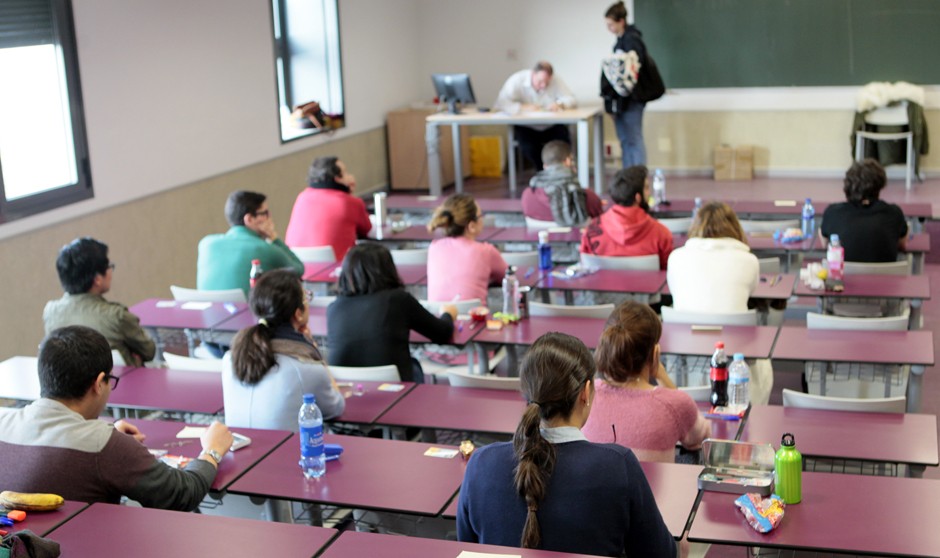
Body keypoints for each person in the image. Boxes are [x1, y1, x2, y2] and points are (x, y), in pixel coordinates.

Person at [456, 332, 676, 557]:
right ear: (585, 393)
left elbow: (466, 546)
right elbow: (661, 554)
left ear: (527, 391)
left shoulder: (480, 463)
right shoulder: (619, 466)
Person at [0, 326, 233, 510]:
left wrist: (108, 435)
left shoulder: (4, 424)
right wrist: (211, 451)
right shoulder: (106, 446)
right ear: (99, 383)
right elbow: (180, 495)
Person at [583, 301, 710, 463]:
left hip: (597, 487)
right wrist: (663, 377)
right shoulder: (674, 404)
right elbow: (701, 439)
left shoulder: (586, 394)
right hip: (654, 489)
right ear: (655, 352)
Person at [223, 269, 345, 430]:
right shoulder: (308, 370)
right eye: (306, 297)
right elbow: (335, 408)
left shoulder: (231, 358)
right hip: (288, 453)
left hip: (237, 450)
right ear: (299, 314)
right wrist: (317, 354)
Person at [327, 244, 457, 383]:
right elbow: (442, 334)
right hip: (395, 388)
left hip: (349, 391)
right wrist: (448, 313)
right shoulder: (398, 299)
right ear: (388, 269)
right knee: (415, 366)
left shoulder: (334, 308)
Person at [43, 237, 155, 366]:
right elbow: (149, 351)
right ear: (97, 279)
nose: (111, 271)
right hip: (119, 383)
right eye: (109, 266)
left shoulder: (50, 312)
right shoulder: (117, 316)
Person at [197, 190, 304, 296]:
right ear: (249, 219)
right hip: (250, 311)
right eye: (265, 213)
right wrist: (274, 238)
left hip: (210, 311)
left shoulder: (206, 244)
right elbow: (298, 269)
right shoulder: (264, 248)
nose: (269, 217)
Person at [667, 201, 759, 313]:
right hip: (733, 328)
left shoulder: (676, 258)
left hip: (685, 328)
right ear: (735, 226)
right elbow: (751, 291)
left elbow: (674, 290)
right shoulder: (749, 260)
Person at [580, 165, 673, 269]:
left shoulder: (591, 231)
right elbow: (667, 273)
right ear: (638, 197)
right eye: (646, 188)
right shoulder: (661, 233)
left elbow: (585, 266)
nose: (649, 193)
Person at [284, 156, 372, 262]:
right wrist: (349, 194)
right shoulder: (350, 202)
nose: (350, 176)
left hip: (299, 267)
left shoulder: (302, 197)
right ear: (337, 179)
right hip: (336, 268)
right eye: (346, 173)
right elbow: (366, 230)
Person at [493, 61, 577, 170]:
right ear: (533, 74)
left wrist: (559, 104)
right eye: (540, 81)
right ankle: (542, 172)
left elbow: (571, 99)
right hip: (527, 127)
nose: (543, 86)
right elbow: (501, 102)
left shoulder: (555, 80)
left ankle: (562, 172)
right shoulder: (517, 80)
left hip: (551, 126)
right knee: (530, 148)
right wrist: (522, 107)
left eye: (547, 82)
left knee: (563, 143)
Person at [821, 159, 908, 262]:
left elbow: (825, 244)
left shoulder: (832, 213)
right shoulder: (894, 213)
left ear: (847, 185)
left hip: (844, 276)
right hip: (886, 277)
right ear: (880, 185)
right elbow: (902, 244)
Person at [426, 193, 508, 303]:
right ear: (471, 226)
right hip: (474, 319)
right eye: (480, 216)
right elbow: (508, 277)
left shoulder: (434, 247)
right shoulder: (486, 251)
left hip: (436, 318)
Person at [604, 1, 650, 167]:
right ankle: (627, 178)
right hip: (623, 102)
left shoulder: (632, 40)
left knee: (634, 140)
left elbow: (629, 74)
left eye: (611, 24)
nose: (609, 28)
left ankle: (637, 179)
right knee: (625, 140)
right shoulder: (620, 41)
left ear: (621, 21)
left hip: (632, 101)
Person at [522, 140, 604, 225]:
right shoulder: (587, 197)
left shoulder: (528, 195)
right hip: (578, 237)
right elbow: (600, 223)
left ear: (545, 166)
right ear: (568, 161)